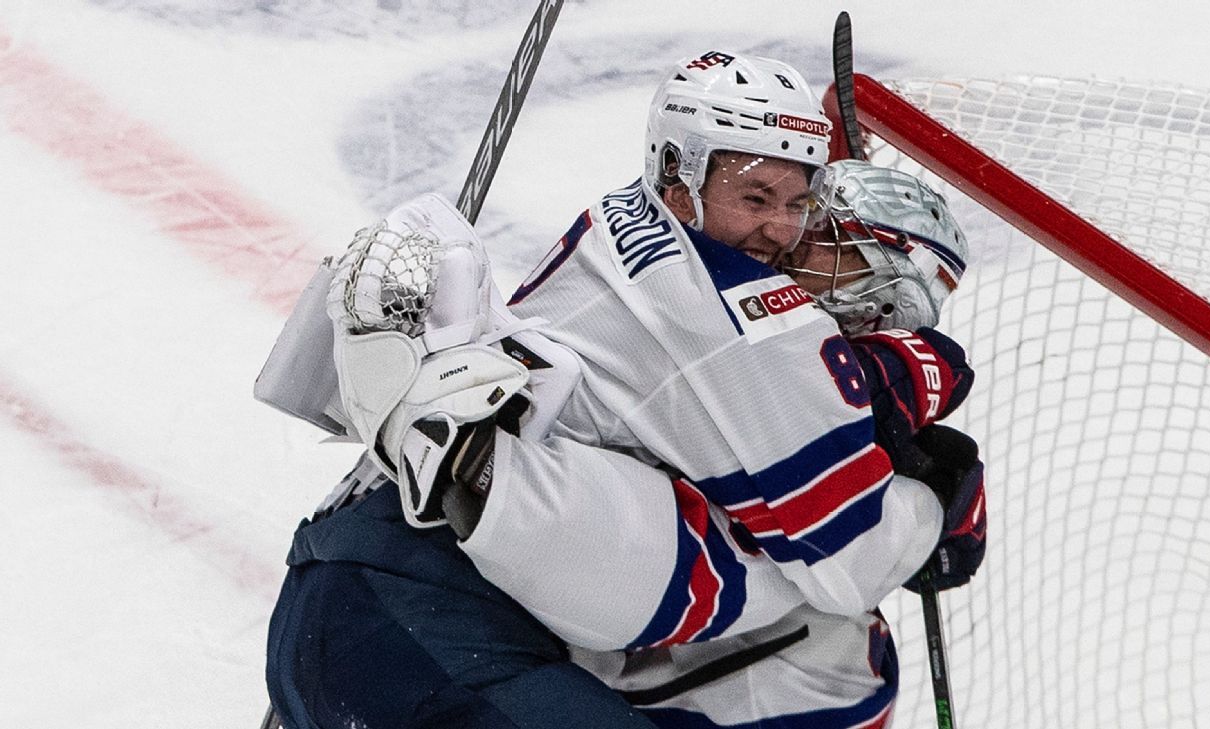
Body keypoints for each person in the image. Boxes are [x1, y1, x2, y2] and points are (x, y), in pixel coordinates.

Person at [264, 50, 985, 729]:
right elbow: (846, 559)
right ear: (680, 173)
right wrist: (933, 496)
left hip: (371, 591)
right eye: (757, 196)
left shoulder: (624, 220)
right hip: (419, 620)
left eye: (801, 210)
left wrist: (884, 394)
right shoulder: (752, 326)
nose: (785, 235)